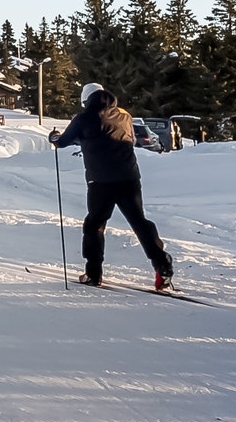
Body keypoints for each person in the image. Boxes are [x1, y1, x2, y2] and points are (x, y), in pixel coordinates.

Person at [51, 82, 174, 289]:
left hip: (101, 182)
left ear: (86, 100)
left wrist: (53, 137)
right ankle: (162, 265)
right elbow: (122, 138)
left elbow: (62, 142)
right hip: (129, 178)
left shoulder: (83, 118)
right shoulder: (125, 116)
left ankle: (93, 274)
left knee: (94, 226)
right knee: (139, 222)